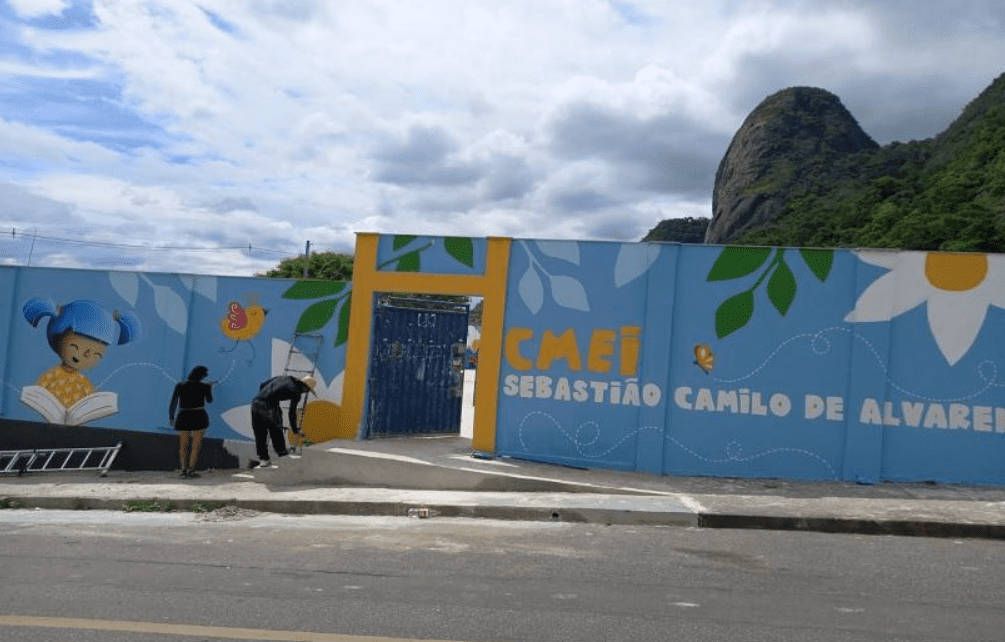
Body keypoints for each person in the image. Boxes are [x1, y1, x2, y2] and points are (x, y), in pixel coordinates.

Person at [250, 374, 315, 469]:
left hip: (256, 403)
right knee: (276, 430)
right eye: (307, 390)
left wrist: (268, 397)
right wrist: (295, 430)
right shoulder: (296, 392)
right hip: (269, 406)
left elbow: (262, 385)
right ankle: (282, 454)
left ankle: (264, 459)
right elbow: (292, 413)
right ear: (304, 387)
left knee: (260, 433)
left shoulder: (285, 377)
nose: (305, 393)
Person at [169, 366, 213, 478]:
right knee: (196, 445)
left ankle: (183, 470)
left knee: (183, 445)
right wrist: (209, 388)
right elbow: (209, 400)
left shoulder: (180, 385)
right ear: (201, 376)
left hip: (183, 415)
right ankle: (191, 470)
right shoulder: (204, 386)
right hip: (199, 415)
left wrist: (171, 417)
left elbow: (173, 402)